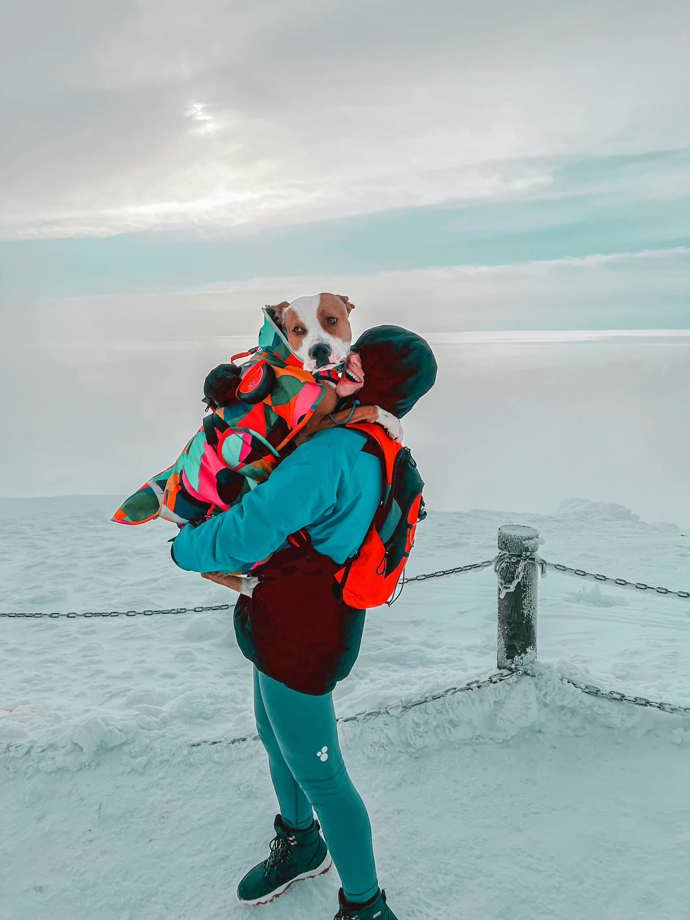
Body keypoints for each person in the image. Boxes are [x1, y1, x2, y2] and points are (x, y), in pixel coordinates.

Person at [171, 325, 438, 920]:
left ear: (378, 381)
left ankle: (365, 906)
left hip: (302, 633)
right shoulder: (372, 439)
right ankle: (301, 841)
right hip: (297, 618)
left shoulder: (334, 453)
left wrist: (184, 548)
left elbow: (247, 531)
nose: (336, 365)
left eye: (355, 361)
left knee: (323, 775)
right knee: (275, 736)